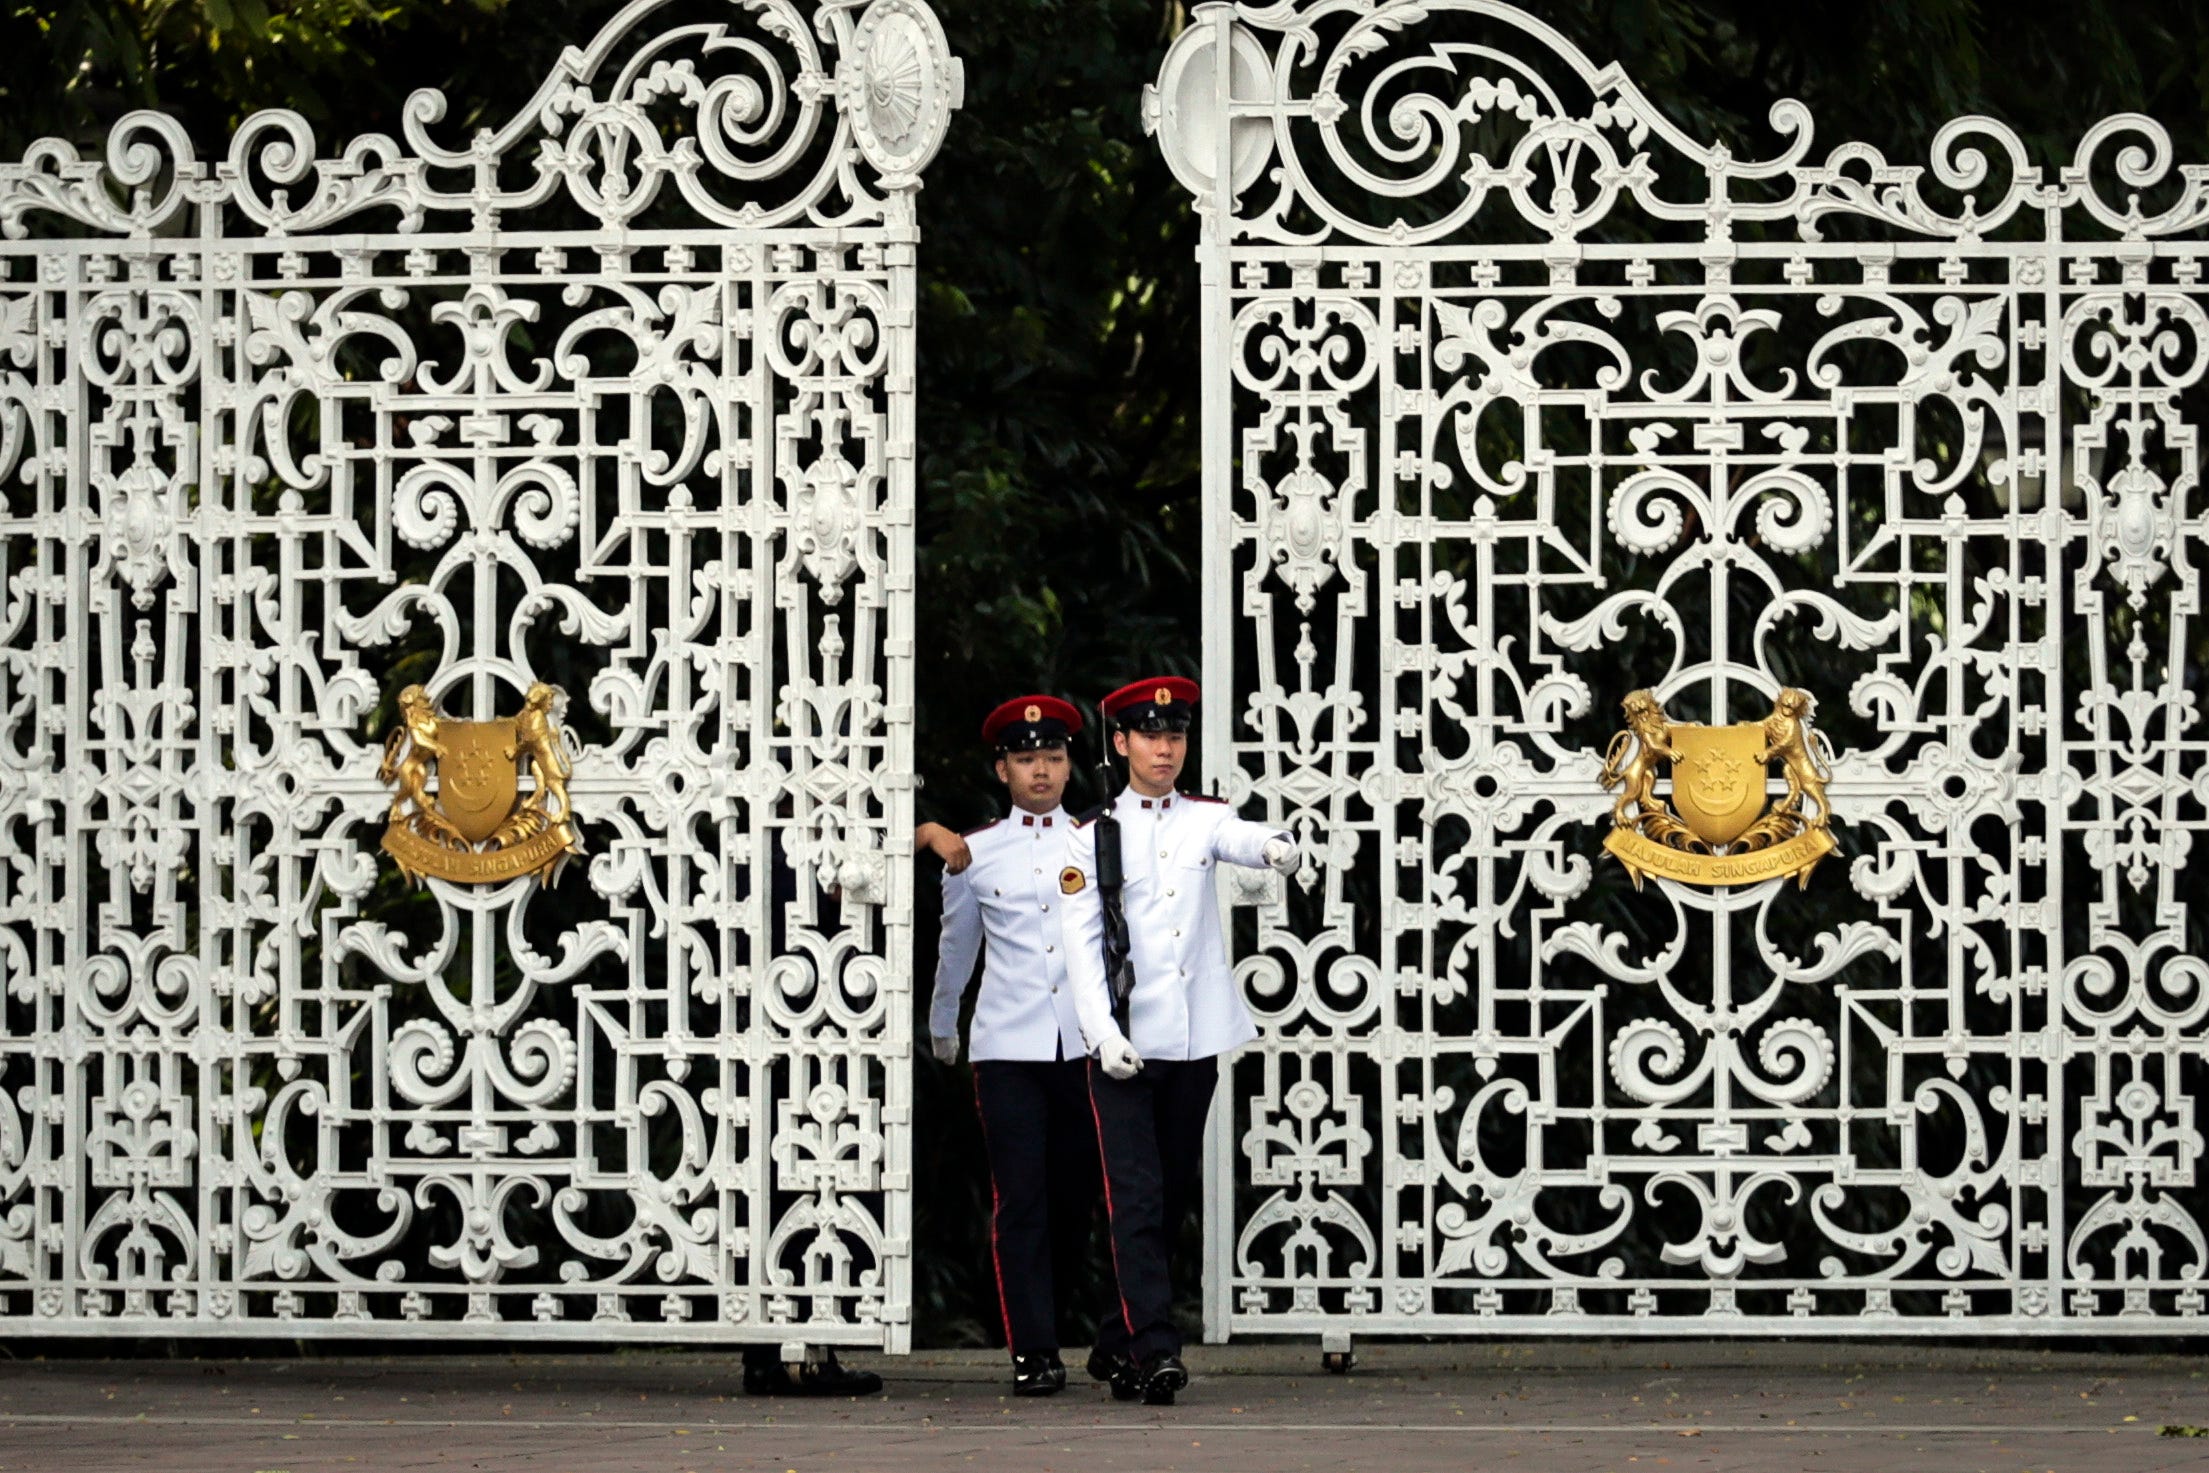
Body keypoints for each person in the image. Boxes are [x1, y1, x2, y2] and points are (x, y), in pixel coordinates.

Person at [1058, 676, 1297, 1407]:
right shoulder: (1088, 833)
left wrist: (1277, 846)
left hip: (1191, 1041)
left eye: (1176, 735)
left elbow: (1242, 836)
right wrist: (1102, 1035)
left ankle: (1114, 1339)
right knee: (1133, 1197)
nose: (1165, 748)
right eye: (1151, 735)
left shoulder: (1205, 817)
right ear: (1122, 742)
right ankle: (1157, 1350)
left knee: (1167, 1197)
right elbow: (1080, 945)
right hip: (1124, 1044)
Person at [929, 695, 1129, 1396]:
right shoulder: (976, 851)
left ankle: (1101, 1334)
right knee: (1020, 1200)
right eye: (1025, 758)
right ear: (1002, 767)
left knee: (1080, 1200)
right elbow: (956, 948)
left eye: (1051, 756)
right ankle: (1033, 1349)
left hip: (1085, 1043)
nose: (1040, 770)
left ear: (1070, 762)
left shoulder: (1099, 838)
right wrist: (942, 1023)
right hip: (1007, 1045)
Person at [739, 819, 968, 1397]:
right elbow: (837, 884)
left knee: (814, 1174)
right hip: (786, 1013)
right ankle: (784, 1352)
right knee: (786, 1176)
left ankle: (797, 1347)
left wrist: (916, 836)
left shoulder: (797, 804)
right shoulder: (772, 821)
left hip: (825, 1015)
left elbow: (850, 876)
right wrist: (920, 836)